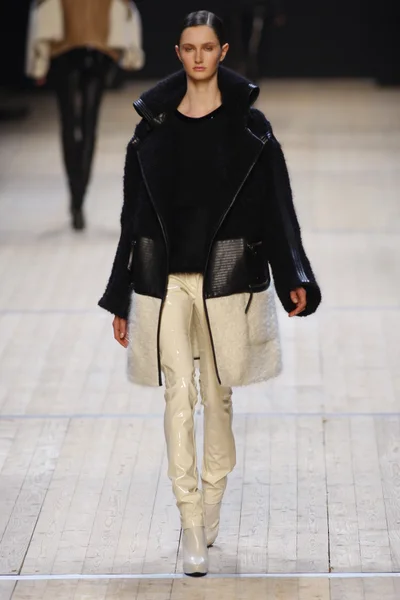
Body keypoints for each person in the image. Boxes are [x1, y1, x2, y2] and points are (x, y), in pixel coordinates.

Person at [98, 10, 321, 577]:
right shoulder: (152, 129)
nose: (198, 57)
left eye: (208, 47)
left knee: (218, 400)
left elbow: (279, 212)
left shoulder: (250, 128)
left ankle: (213, 497)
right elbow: (132, 221)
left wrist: (294, 274)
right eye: (189, 48)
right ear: (178, 53)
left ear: (223, 52)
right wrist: (120, 292)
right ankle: (191, 518)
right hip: (165, 282)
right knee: (177, 395)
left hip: (226, 283)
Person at [25, 0, 145, 230]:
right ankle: (79, 197)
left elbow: (40, 11)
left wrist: (39, 59)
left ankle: (76, 196)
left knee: (69, 123)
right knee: (89, 125)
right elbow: (127, 9)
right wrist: (128, 51)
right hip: (98, 49)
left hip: (63, 49)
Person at [221, 0, 286, 81]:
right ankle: (246, 69)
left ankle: (253, 71)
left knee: (256, 44)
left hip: (260, 10)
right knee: (244, 42)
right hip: (244, 10)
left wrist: (277, 11)